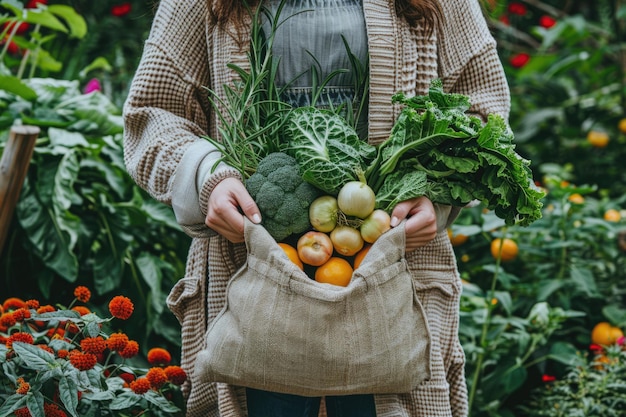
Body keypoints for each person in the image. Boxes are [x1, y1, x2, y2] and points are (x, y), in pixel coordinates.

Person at [123, 0, 511, 416]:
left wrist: (433, 195)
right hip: (250, 278)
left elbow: (483, 111)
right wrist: (208, 177)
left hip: (394, 279)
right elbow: (153, 111)